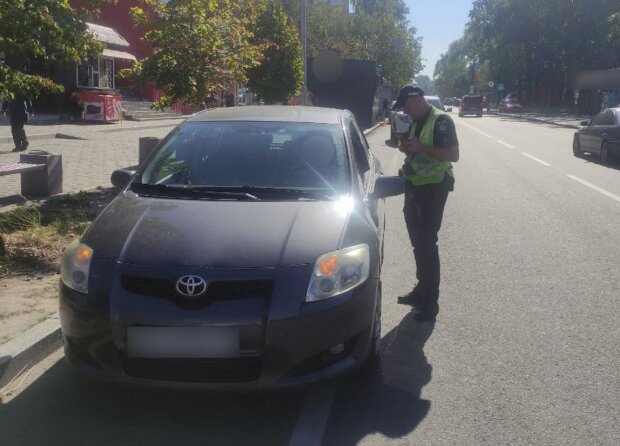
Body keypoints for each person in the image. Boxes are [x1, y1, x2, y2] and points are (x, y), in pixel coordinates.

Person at [393, 85, 459, 322]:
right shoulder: (415, 121)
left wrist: (421, 148)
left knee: (427, 244)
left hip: (433, 187)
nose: (405, 110)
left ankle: (431, 302)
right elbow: (415, 152)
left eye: (407, 105)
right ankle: (421, 290)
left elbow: (453, 155)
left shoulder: (441, 121)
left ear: (418, 99)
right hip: (414, 186)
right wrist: (406, 149)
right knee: (417, 243)